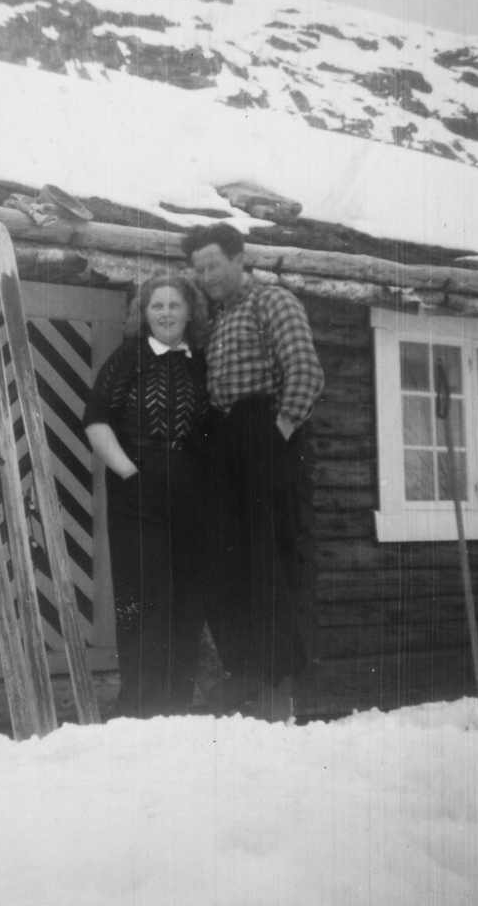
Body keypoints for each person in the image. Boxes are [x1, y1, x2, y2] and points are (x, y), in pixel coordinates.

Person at [181, 223, 324, 720]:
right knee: (227, 559)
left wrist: (276, 435)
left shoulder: (272, 301)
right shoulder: (218, 318)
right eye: (199, 270)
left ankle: (276, 688)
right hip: (226, 442)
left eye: (213, 265)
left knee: (269, 558)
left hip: (263, 433)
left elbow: (305, 371)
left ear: (240, 257)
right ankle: (246, 669)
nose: (207, 276)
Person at [83, 272, 209, 718]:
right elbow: (96, 422)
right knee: (141, 597)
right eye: (158, 305)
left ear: (190, 311)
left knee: (185, 598)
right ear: (144, 312)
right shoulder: (126, 359)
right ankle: (138, 701)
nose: (166, 313)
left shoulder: (202, 364)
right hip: (136, 495)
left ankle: (177, 701)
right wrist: (131, 474)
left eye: (175, 305)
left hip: (193, 497)